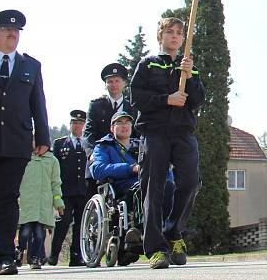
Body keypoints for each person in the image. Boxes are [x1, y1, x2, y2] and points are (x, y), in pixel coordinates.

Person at [0, 9, 50, 275]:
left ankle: (3, 256)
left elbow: (37, 103)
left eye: (15, 31)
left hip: (15, 143)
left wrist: (43, 136)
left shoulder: (31, 65)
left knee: (6, 200)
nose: (11, 34)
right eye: (6, 30)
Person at [130, 17, 204, 269]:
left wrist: (189, 76)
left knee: (190, 181)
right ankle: (155, 248)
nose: (174, 36)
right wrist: (166, 99)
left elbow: (197, 100)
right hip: (155, 132)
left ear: (183, 38)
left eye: (179, 33)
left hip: (183, 132)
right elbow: (137, 96)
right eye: (169, 32)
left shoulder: (188, 67)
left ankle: (173, 232)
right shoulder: (147, 64)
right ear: (160, 36)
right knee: (154, 187)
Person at [90, 111, 147, 261]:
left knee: (164, 186)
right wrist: (130, 168)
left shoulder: (141, 145)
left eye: (127, 123)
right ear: (112, 128)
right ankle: (138, 231)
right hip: (119, 188)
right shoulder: (104, 147)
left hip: (145, 182)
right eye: (119, 123)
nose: (124, 126)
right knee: (140, 190)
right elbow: (97, 170)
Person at [48, 110, 89, 267]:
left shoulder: (87, 143)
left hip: (83, 191)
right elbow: (55, 167)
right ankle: (53, 255)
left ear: (84, 124)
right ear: (70, 124)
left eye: (80, 122)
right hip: (65, 191)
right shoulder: (60, 144)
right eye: (74, 122)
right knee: (62, 224)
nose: (77, 125)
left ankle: (76, 256)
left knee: (80, 225)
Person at [17, 137, 64, 270]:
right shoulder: (25, 159)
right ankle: (19, 251)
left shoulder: (52, 161)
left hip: (44, 204)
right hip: (27, 202)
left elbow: (56, 183)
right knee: (25, 231)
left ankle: (35, 258)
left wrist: (58, 202)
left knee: (39, 233)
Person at [84, 63, 138, 151]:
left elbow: (138, 133)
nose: (114, 85)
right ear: (105, 85)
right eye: (110, 82)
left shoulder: (133, 107)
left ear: (124, 83)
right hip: (102, 153)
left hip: (128, 154)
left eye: (117, 81)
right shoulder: (96, 106)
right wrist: (91, 154)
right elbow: (88, 133)